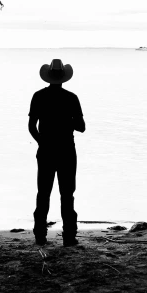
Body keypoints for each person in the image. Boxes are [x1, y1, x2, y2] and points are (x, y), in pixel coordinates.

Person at [28, 59, 85, 247]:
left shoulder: (38, 96)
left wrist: (41, 142)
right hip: (67, 151)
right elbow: (82, 127)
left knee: (43, 194)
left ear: (48, 77)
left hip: (45, 151)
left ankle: (40, 237)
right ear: (63, 78)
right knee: (67, 195)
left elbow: (31, 126)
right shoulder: (71, 98)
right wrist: (67, 121)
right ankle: (69, 237)